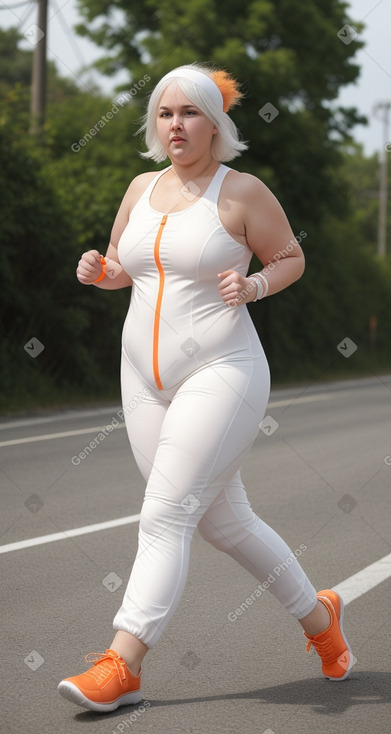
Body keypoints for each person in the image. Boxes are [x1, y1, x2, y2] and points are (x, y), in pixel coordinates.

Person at [58, 64, 354, 713]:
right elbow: (122, 268)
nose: (175, 125)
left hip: (222, 372)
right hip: (140, 380)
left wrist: (253, 286)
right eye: (164, 114)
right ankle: (319, 620)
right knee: (225, 521)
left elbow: (289, 258)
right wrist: (96, 270)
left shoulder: (240, 192)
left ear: (214, 123)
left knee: (166, 514)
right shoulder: (139, 187)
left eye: (189, 113)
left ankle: (123, 661)